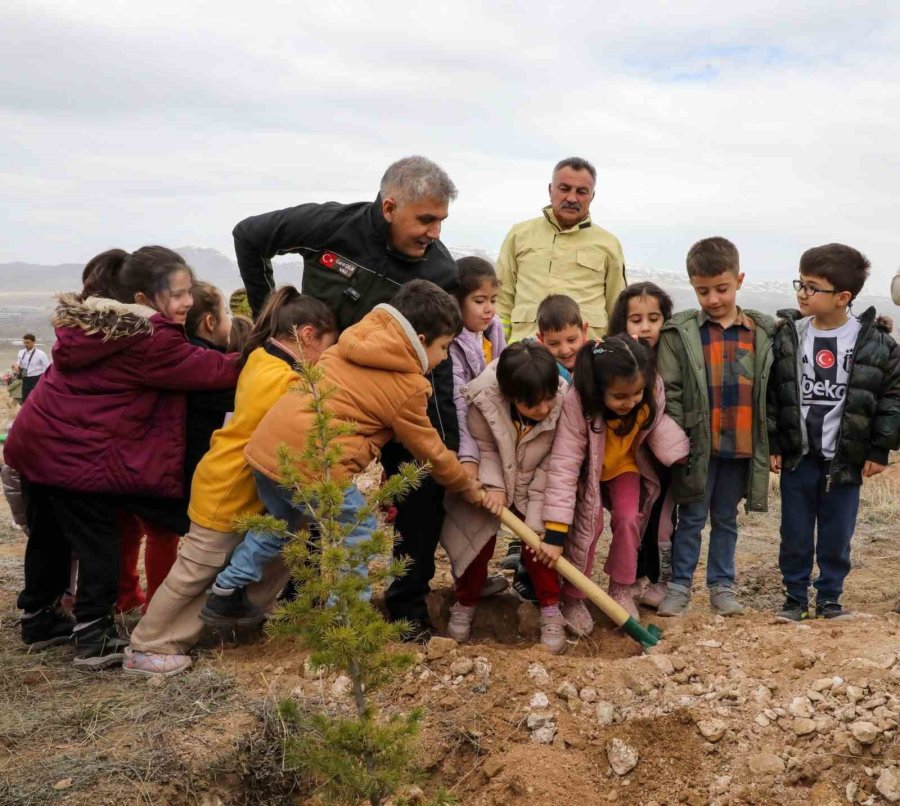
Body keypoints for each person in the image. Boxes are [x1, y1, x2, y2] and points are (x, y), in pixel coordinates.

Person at [233, 155, 462, 638]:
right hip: (327, 393)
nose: (435, 232)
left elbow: (436, 354)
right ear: (389, 206)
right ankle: (308, 597)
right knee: (309, 488)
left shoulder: (440, 269)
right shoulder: (331, 227)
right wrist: (271, 322)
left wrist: (445, 440)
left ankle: (407, 607)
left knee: (421, 487)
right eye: (425, 219)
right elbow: (249, 235)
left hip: (395, 395)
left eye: (441, 219)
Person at [198, 280, 486, 627]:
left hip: (268, 449)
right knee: (359, 526)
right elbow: (430, 450)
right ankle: (346, 619)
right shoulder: (407, 386)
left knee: (278, 522)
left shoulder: (351, 343)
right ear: (421, 342)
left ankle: (226, 592)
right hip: (313, 462)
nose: (442, 358)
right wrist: (465, 483)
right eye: (444, 348)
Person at [5, 247, 241, 669]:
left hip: (35, 444)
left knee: (52, 538)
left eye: (190, 292)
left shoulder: (94, 328)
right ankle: (93, 634)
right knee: (99, 542)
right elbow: (216, 371)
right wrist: (268, 356)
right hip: (75, 457)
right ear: (142, 299)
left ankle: (39, 618)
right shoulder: (148, 340)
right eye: (177, 293)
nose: (186, 302)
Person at [124, 288, 337, 677]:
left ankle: (214, 628)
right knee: (196, 570)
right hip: (228, 490)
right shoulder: (282, 377)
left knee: (262, 562)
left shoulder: (261, 358)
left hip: (236, 487)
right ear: (308, 335)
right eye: (328, 345)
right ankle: (147, 646)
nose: (327, 356)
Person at [768, 244, 900, 621]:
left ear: (843, 297)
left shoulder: (874, 343)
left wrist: (878, 450)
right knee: (793, 530)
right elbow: (775, 394)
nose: (802, 293)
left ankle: (829, 598)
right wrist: (776, 442)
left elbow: (891, 399)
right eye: (801, 283)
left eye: (812, 287)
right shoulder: (790, 336)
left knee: (836, 533)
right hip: (799, 455)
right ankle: (794, 597)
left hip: (845, 458)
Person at [656, 237, 775, 618]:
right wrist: (680, 437)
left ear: (739, 280)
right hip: (698, 447)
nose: (713, 299)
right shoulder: (684, 333)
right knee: (690, 518)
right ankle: (679, 586)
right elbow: (671, 390)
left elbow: (771, 391)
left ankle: (722, 587)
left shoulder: (761, 333)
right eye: (702, 291)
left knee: (725, 519)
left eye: (721, 289)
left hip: (740, 446)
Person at [540, 336, 688, 633]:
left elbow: (656, 424)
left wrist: (678, 451)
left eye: (636, 393)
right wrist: (555, 532)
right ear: (598, 390)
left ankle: (621, 587)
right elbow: (565, 462)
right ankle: (572, 596)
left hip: (625, 466)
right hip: (588, 471)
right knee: (587, 528)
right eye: (620, 396)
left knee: (629, 518)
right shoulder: (578, 401)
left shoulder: (650, 389)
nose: (630, 401)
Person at [117, 281, 236, 614]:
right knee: (168, 535)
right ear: (210, 322)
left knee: (146, 531)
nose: (229, 319)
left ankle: (137, 598)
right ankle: (162, 608)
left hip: (145, 464)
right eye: (225, 313)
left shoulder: (165, 355)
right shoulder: (209, 363)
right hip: (181, 470)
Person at [441, 342, 567, 651]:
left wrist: (539, 519)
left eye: (548, 399)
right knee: (476, 542)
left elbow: (552, 465)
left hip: (534, 483)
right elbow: (484, 447)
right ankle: (466, 601)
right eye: (532, 404)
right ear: (510, 396)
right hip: (490, 478)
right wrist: (494, 485)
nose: (543, 410)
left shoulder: (564, 401)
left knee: (541, 546)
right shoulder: (482, 399)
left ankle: (550, 608)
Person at [499, 293, 588, 588]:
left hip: (575, 456)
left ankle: (562, 577)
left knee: (569, 517)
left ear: (584, 331)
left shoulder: (591, 365)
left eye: (571, 340)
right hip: (543, 458)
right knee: (534, 517)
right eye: (554, 343)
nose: (565, 349)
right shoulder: (541, 373)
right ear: (540, 340)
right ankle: (528, 571)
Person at [496, 157, 627, 343]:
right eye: (564, 189)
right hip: (525, 353)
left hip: (586, 357)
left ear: (592, 196)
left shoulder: (609, 245)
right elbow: (502, 299)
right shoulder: (519, 235)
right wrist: (499, 349)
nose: (572, 198)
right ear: (551, 190)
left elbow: (618, 308)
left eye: (581, 192)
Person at [607, 282, 675, 608]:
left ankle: (649, 581)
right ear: (623, 322)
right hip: (615, 458)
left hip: (654, 458)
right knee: (626, 517)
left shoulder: (670, 361)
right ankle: (626, 581)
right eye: (636, 319)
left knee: (654, 520)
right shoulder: (607, 361)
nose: (645, 327)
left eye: (654, 318)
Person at [450, 256, 509, 599]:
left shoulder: (493, 329)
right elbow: (459, 402)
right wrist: (468, 457)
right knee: (466, 517)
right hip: (465, 440)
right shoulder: (454, 342)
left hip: (491, 435)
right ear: (458, 302)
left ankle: (475, 580)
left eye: (493, 300)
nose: (488, 309)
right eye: (479, 301)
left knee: (490, 515)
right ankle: (465, 586)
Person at [13, 334, 50, 402]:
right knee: (25, 399)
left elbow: (47, 368)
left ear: (33, 342)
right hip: (25, 378)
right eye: (24, 342)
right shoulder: (21, 352)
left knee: (36, 399)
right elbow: (18, 363)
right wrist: (16, 366)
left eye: (28, 342)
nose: (26, 344)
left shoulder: (41, 354)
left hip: (36, 379)